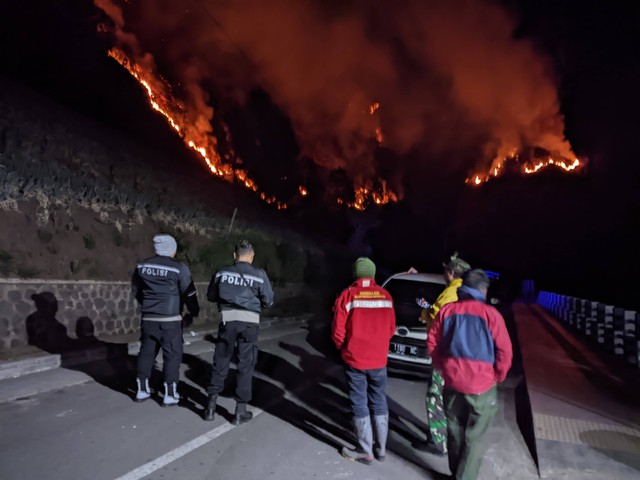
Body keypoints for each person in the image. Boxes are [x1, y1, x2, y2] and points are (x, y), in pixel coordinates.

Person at [427, 269, 513, 480]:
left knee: (455, 431)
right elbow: (505, 351)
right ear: (482, 290)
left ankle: (456, 472)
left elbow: (432, 342)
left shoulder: (447, 311)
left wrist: (443, 367)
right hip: (482, 385)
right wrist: (497, 376)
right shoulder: (491, 315)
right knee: (475, 437)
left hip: (452, 381)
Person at [332, 257, 396, 465]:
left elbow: (337, 331)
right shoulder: (386, 296)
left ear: (355, 275)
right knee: (379, 399)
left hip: (355, 360)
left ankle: (365, 450)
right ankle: (381, 449)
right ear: (373, 274)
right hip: (379, 360)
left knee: (359, 402)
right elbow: (391, 329)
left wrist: (345, 349)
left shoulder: (347, 296)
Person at [204, 239, 274, 424]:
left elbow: (211, 295)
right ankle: (239, 412)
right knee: (245, 365)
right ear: (251, 256)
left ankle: (210, 407)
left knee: (221, 361)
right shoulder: (259, 275)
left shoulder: (222, 272)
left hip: (228, 320)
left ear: (235, 256)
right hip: (250, 323)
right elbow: (268, 300)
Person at [132, 234, 200, 406]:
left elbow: (136, 291)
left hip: (148, 319)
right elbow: (189, 292)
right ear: (172, 249)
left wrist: (147, 306)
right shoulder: (179, 268)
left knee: (146, 353)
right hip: (170, 320)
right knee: (172, 355)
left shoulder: (142, 266)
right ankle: (169, 394)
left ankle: (141, 390)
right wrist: (193, 311)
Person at [416, 252, 471, 456]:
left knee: (434, 396)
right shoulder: (466, 293)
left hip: (445, 352)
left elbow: (436, 316)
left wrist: (424, 310)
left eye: (445, 270)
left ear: (450, 272)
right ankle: (451, 437)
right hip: (461, 354)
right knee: (451, 398)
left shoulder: (450, 293)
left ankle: (438, 442)